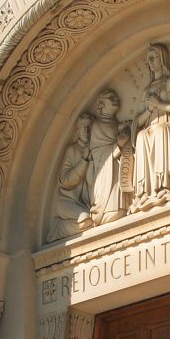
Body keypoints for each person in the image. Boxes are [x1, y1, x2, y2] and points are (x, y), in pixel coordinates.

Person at [132, 43, 170, 205]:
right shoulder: (146, 90)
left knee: (162, 131)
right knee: (141, 136)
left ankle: (167, 183)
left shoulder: (169, 81)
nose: (150, 61)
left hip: (166, 124)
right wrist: (149, 109)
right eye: (148, 58)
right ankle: (146, 190)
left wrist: (159, 104)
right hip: (150, 127)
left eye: (153, 57)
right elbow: (138, 121)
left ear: (162, 59)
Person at [47, 113, 94, 242]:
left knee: (92, 220)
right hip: (67, 202)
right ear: (77, 130)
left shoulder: (97, 148)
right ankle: (59, 229)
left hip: (88, 204)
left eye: (89, 127)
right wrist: (83, 160)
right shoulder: (72, 150)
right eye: (83, 127)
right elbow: (65, 181)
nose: (86, 130)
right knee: (86, 219)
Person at [86, 86, 128, 224]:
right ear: (102, 104)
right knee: (111, 204)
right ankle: (106, 211)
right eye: (111, 98)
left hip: (117, 165)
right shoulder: (97, 125)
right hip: (105, 171)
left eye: (115, 97)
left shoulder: (115, 123)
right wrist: (118, 145)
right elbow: (98, 153)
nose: (115, 100)